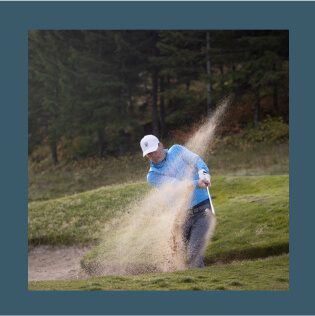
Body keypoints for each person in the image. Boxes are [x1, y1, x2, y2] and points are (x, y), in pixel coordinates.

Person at [140, 134, 214, 268]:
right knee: (174, 257)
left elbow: (196, 160)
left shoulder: (177, 150)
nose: (153, 155)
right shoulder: (152, 176)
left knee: (194, 255)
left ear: (160, 145)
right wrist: (198, 182)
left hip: (202, 210)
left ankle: (203, 285)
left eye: (154, 151)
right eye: (149, 154)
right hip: (181, 218)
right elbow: (177, 186)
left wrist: (203, 172)